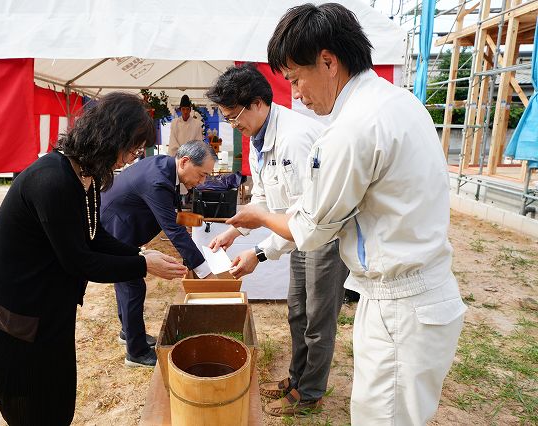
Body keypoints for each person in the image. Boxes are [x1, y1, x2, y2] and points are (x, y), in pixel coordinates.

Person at [226, 4, 467, 425]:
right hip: (411, 292)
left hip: (400, 301)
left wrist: (260, 218)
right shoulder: (397, 103)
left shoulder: (350, 129)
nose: (297, 94)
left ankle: (310, 389)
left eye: (297, 79)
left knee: (381, 414)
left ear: (328, 61)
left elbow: (310, 226)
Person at [0, 92, 187, 426]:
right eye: (131, 149)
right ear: (110, 137)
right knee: (31, 399)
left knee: (59, 390)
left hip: (51, 300)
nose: (131, 159)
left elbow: (95, 233)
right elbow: (79, 261)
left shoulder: (85, 173)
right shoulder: (53, 179)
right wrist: (143, 265)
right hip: (18, 307)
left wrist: (138, 252)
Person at [205, 63, 349, 416]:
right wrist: (233, 230)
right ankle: (296, 379)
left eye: (233, 114)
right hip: (300, 237)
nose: (231, 124)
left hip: (324, 237)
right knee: (298, 312)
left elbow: (307, 217)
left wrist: (259, 254)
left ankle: (310, 392)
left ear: (257, 103)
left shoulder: (296, 138)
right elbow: (266, 202)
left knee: (317, 320)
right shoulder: (258, 138)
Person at [100, 140, 218, 367]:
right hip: (116, 226)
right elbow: (173, 229)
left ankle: (128, 332)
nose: (202, 181)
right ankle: (136, 352)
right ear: (185, 162)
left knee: (127, 284)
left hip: (122, 222)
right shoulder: (158, 180)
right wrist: (205, 272)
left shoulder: (166, 168)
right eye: (202, 174)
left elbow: (169, 213)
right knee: (132, 285)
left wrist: (198, 221)